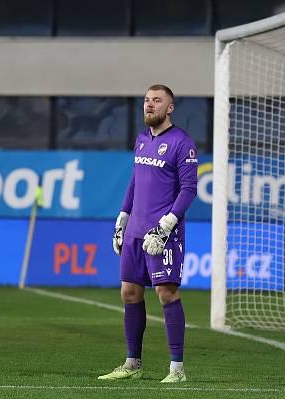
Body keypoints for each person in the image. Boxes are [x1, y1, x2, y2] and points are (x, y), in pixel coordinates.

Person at [98, 84, 198, 383]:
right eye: (146, 100)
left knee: (166, 293)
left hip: (163, 232)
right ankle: (132, 364)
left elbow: (189, 189)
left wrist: (167, 224)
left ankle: (177, 369)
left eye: (156, 101)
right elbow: (134, 183)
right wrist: (122, 218)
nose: (149, 105)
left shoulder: (183, 142)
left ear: (170, 108)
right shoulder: (142, 140)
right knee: (129, 292)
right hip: (136, 231)